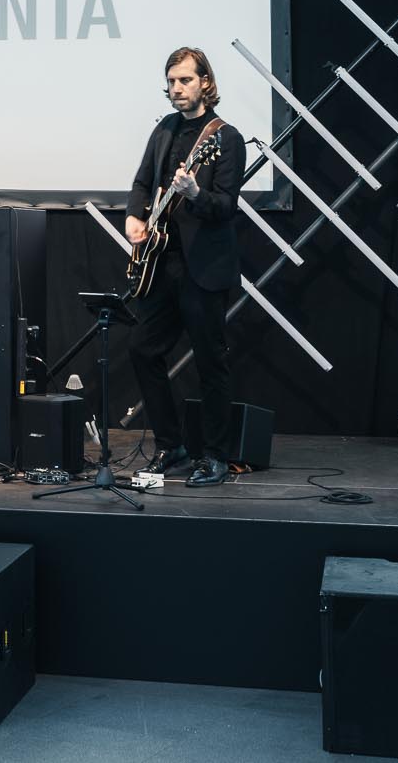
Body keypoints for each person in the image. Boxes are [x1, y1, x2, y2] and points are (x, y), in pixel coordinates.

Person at [122, 46, 247, 488]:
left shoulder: (223, 137)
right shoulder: (164, 130)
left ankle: (215, 455)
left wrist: (195, 193)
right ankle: (171, 444)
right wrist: (135, 216)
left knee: (210, 362)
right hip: (160, 264)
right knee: (142, 349)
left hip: (203, 268)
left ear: (205, 84)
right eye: (172, 81)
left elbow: (227, 207)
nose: (177, 89)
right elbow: (141, 182)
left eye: (185, 81)